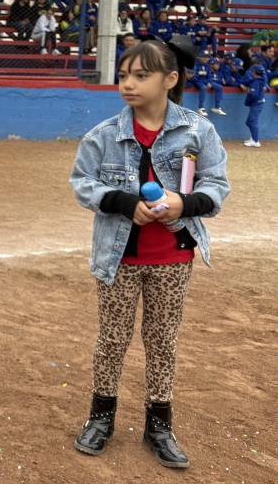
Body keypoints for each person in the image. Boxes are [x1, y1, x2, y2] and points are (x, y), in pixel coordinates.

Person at [70, 37, 229, 470]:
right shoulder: (103, 135)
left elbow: (216, 185)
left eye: (141, 75)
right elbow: (83, 182)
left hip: (174, 258)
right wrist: (122, 202)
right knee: (113, 340)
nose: (128, 84)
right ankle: (100, 418)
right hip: (119, 259)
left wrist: (185, 203)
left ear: (170, 79)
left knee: (162, 342)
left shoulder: (199, 131)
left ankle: (159, 425)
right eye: (123, 75)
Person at [243, 64, 266, 147]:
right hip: (257, 103)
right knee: (249, 122)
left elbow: (254, 95)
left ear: (254, 72)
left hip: (256, 104)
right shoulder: (259, 80)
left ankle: (256, 141)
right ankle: (253, 138)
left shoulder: (256, 82)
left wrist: (247, 102)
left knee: (253, 121)